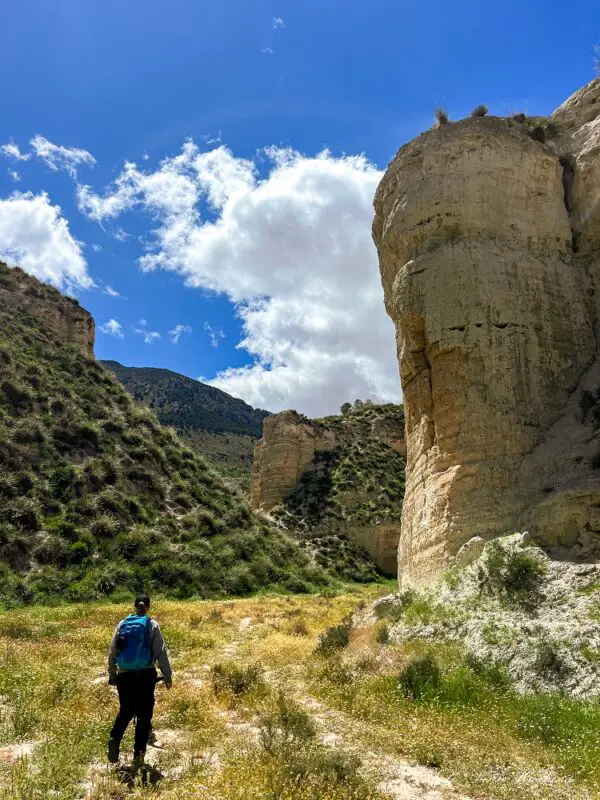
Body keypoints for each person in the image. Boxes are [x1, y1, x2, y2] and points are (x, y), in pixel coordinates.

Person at [107, 593, 172, 767]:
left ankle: (114, 739)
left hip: (124, 675)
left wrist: (112, 674)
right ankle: (138, 757)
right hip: (145, 675)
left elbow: (113, 651)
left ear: (134, 606)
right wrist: (167, 675)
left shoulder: (122, 624)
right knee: (144, 716)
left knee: (126, 711)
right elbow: (160, 652)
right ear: (148, 607)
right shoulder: (152, 624)